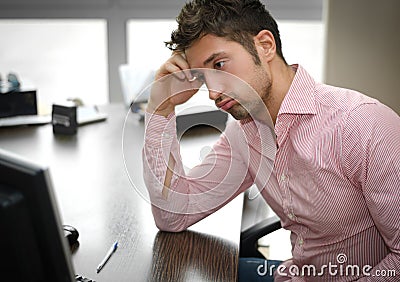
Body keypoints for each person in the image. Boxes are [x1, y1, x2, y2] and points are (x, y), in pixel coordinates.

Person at [142, 0, 400, 281]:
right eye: (204, 77)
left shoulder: (363, 125)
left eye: (219, 64)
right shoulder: (244, 132)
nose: (212, 93)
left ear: (265, 45)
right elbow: (174, 216)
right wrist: (161, 107)